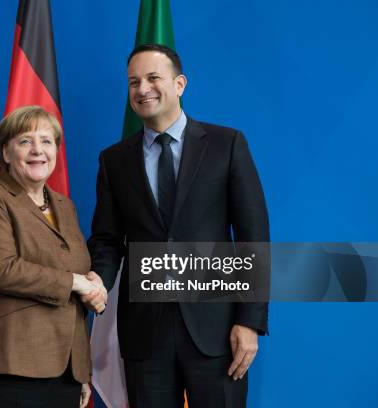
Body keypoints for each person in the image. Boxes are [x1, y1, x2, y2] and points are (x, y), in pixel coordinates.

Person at [85, 44, 270, 407]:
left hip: (215, 329)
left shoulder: (226, 144)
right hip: (144, 333)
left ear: (180, 84)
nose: (142, 89)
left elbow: (254, 238)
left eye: (153, 78)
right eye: (133, 82)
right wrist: (97, 283)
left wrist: (250, 321)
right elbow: (107, 241)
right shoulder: (114, 161)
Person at [0, 105, 107, 408]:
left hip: (62, 371)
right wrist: (77, 282)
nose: (38, 150)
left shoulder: (65, 207)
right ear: (5, 153)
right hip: (1, 368)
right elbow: (0, 270)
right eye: (25, 141)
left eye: (47, 141)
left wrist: (81, 371)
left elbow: (73, 288)